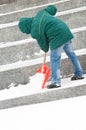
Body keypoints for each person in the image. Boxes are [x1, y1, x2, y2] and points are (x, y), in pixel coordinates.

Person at [18, 5, 84, 89]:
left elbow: (43, 43)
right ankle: (79, 74)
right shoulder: (41, 13)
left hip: (57, 37)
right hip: (65, 31)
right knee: (71, 54)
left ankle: (56, 82)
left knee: (54, 59)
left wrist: (45, 48)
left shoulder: (35, 30)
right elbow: (52, 9)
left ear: (27, 27)